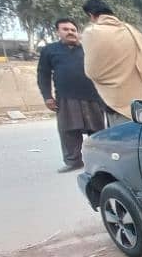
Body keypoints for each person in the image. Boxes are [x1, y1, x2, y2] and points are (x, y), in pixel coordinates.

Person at [37, 18, 107, 173]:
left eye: (73, 30)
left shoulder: (88, 49)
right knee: (68, 131)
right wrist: (47, 96)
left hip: (93, 97)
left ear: (78, 32)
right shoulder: (50, 50)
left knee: (97, 131)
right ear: (58, 32)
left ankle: (100, 161)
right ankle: (73, 161)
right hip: (66, 98)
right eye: (65, 29)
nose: (70, 32)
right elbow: (43, 74)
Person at [81, 0, 142, 126]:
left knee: (124, 143)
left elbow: (92, 72)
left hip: (117, 104)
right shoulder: (132, 31)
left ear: (91, 15)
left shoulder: (92, 33)